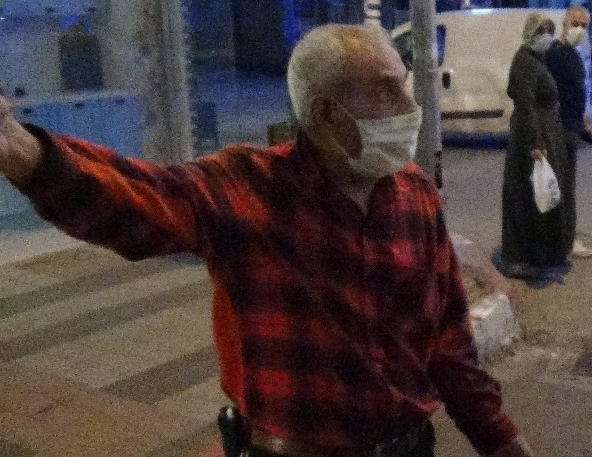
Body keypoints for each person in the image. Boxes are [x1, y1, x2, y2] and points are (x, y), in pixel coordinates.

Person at [0, 24, 534, 457]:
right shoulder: (247, 185)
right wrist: (30, 158)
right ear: (326, 114)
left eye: (405, 83)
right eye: (386, 89)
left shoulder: (415, 193)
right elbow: (138, 202)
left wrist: (501, 440)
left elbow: (449, 343)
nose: (409, 106)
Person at [499, 13, 572, 281]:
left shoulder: (535, 60)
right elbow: (528, 106)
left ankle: (543, 256)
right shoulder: (525, 63)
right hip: (533, 139)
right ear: (531, 33)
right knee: (530, 199)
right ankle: (525, 258)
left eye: (549, 31)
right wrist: (536, 145)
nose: (547, 37)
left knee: (542, 197)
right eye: (542, 31)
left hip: (545, 134)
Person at [545, 5, 592, 259]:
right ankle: (565, 242)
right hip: (562, 130)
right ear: (565, 23)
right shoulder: (558, 53)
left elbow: (575, 91)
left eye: (584, 25)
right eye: (575, 23)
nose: (580, 29)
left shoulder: (571, 52)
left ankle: (561, 239)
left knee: (566, 185)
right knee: (564, 187)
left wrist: (583, 120)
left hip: (571, 126)